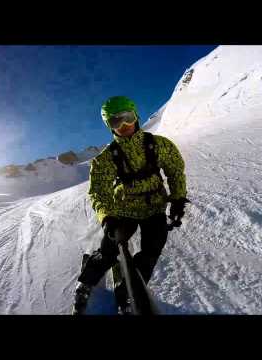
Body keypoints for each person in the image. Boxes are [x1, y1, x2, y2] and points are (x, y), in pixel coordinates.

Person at [72, 96, 188, 315]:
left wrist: (178, 199)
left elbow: (175, 170)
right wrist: (107, 217)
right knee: (109, 249)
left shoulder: (159, 145)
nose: (124, 125)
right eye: (116, 122)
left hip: (154, 208)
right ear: (109, 126)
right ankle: (86, 282)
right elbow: (99, 191)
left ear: (136, 116)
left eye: (128, 118)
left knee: (152, 251)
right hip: (122, 211)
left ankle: (130, 290)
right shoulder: (105, 159)